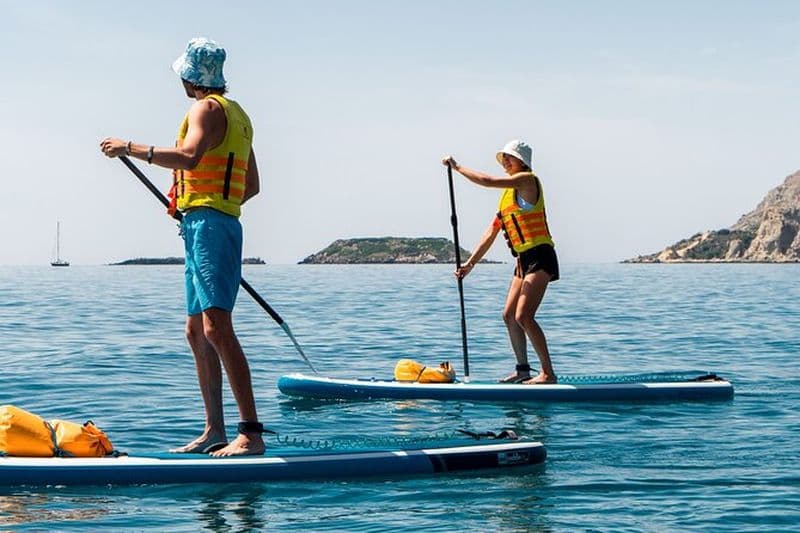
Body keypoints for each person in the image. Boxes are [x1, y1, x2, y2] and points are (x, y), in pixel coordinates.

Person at [100, 38, 264, 455]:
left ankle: (251, 433)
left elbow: (189, 157)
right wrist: (196, 204)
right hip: (203, 224)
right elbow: (251, 185)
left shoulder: (205, 109)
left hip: (211, 228)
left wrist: (130, 149)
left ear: (191, 77)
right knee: (196, 331)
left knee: (216, 327)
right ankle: (215, 430)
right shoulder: (238, 116)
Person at [443, 140, 559, 384]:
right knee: (509, 315)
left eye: (510, 157)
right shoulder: (507, 197)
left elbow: (487, 181)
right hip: (522, 260)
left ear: (523, 161)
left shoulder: (528, 180)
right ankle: (523, 370)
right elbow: (490, 233)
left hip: (541, 255)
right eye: (503, 157)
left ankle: (548, 373)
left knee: (524, 316)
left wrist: (457, 167)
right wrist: (469, 265)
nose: (505, 161)